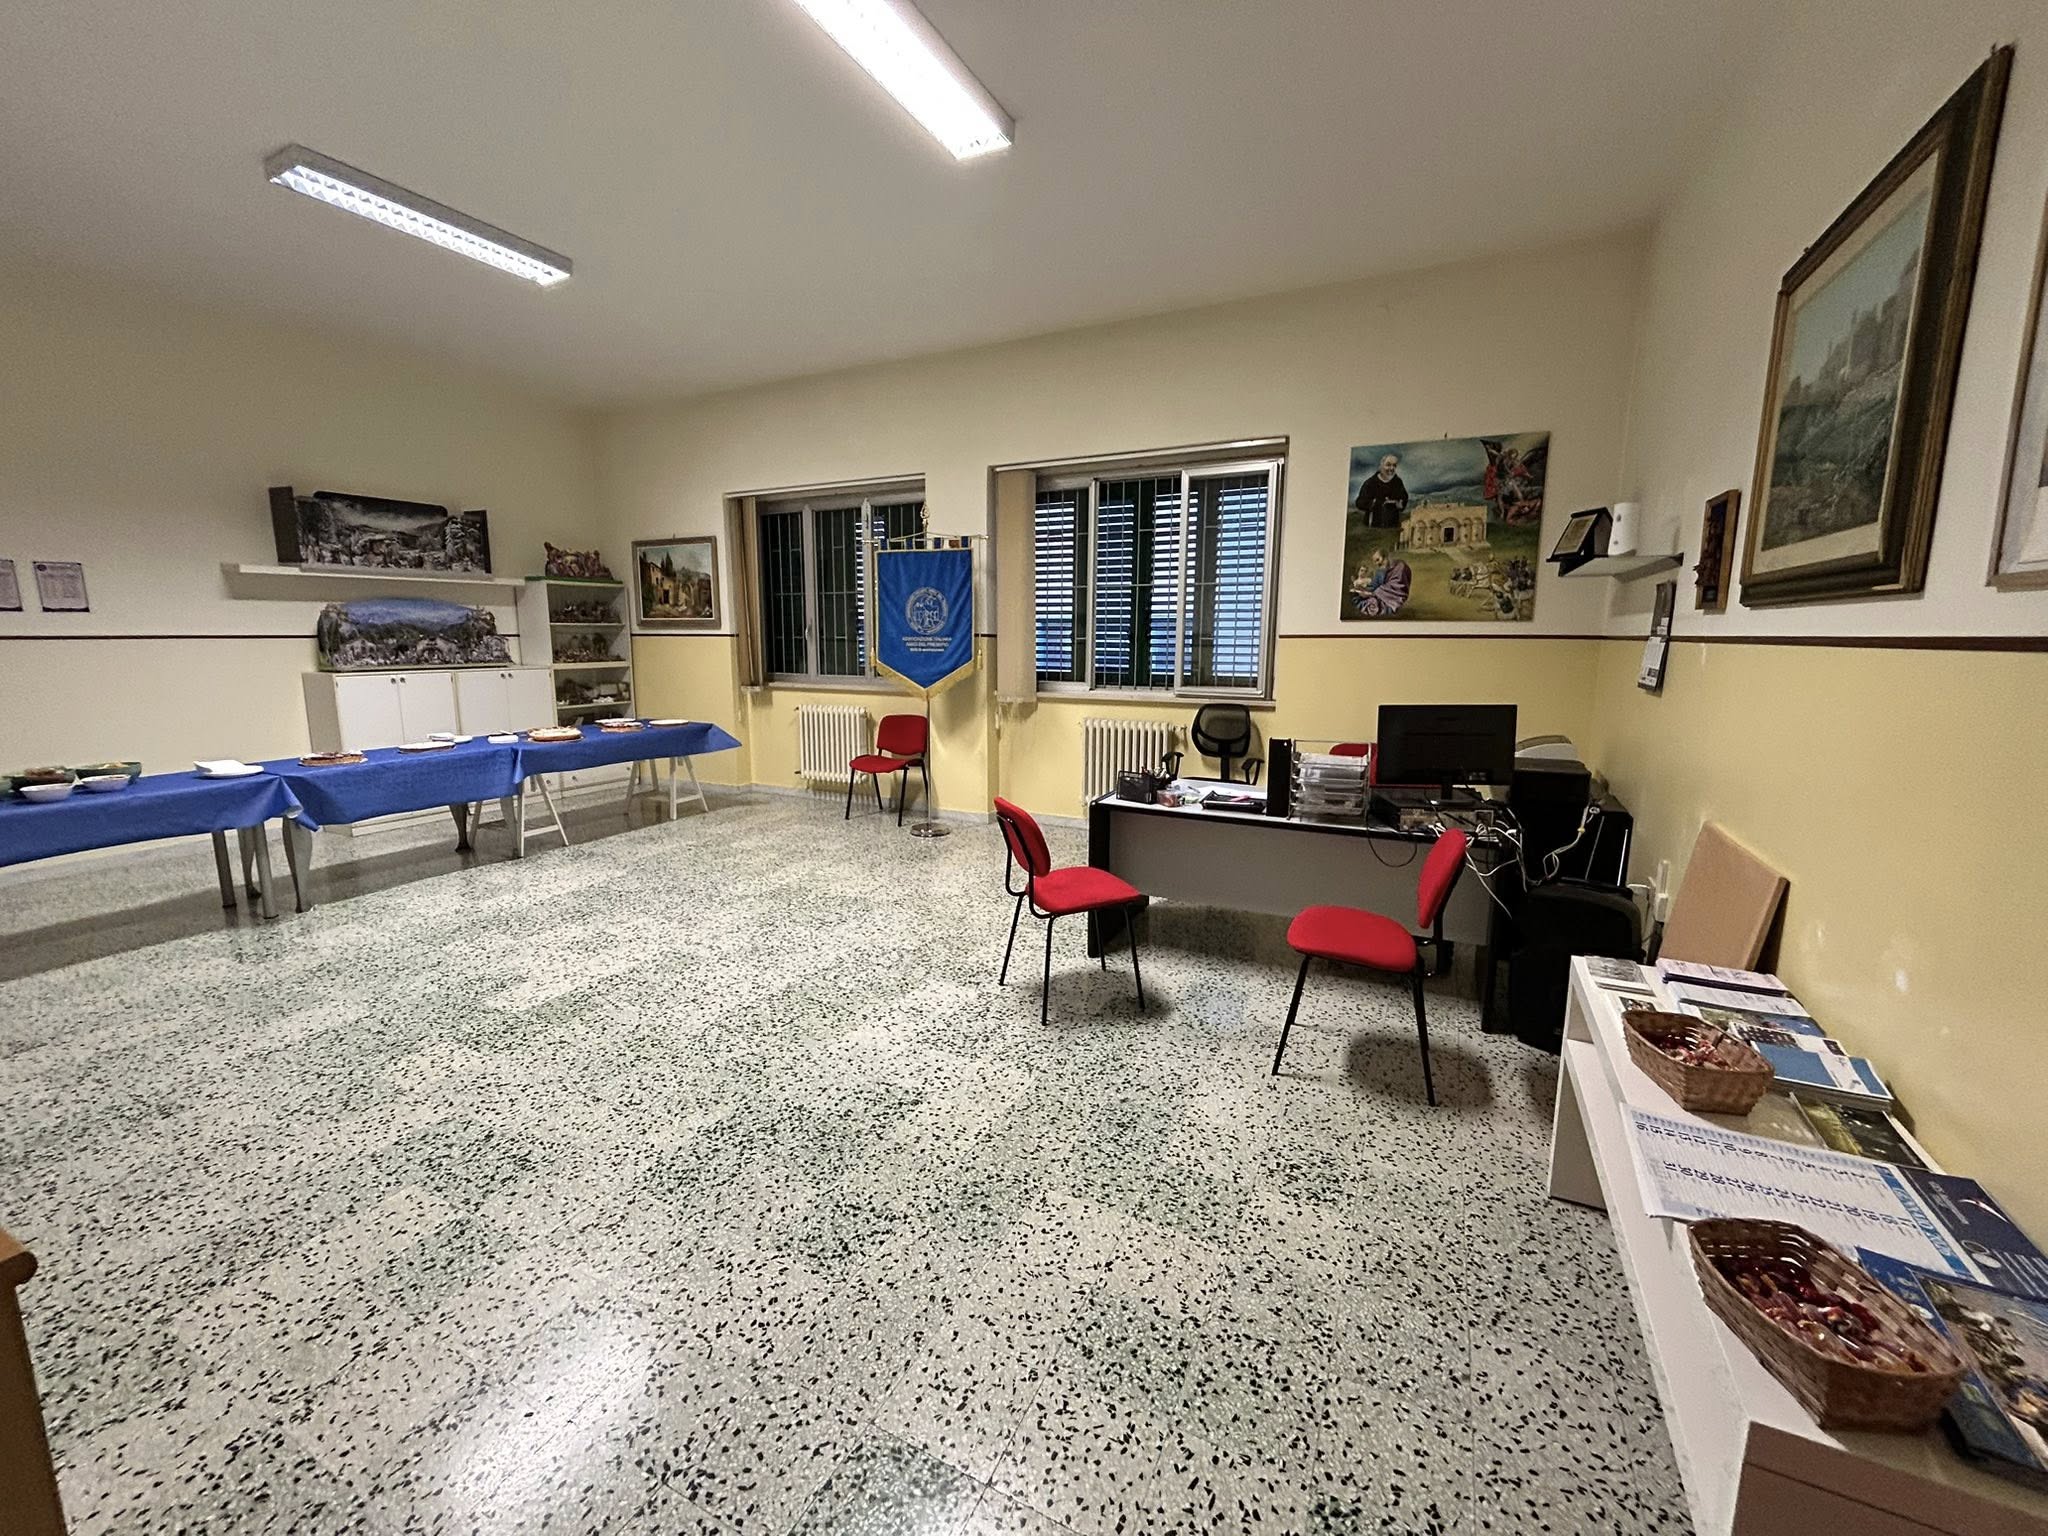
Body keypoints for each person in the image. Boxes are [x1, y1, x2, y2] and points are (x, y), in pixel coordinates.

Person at [1354, 453, 1408, 529]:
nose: (1391, 468)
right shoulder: (1370, 483)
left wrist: (1398, 503)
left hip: (1392, 526)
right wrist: (1374, 503)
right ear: (1381, 466)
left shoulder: (1398, 482)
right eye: (1388, 465)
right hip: (1374, 526)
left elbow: (1404, 499)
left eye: (1394, 465)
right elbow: (1359, 502)